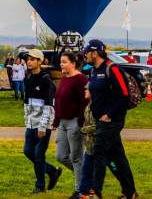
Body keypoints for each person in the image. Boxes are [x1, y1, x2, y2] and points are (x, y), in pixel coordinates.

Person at [84, 39, 137, 199]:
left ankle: (95, 192)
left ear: (95, 53)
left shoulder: (112, 69)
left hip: (112, 120)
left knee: (99, 150)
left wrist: (110, 115)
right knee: (118, 157)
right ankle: (130, 193)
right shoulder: (94, 71)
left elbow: (125, 95)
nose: (85, 55)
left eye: (87, 52)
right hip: (100, 120)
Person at [21, 48, 61, 194]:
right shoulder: (28, 78)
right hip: (31, 124)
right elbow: (26, 102)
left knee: (38, 154)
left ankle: (40, 186)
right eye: (28, 59)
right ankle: (52, 171)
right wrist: (27, 120)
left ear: (40, 62)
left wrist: (43, 127)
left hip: (43, 125)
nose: (28, 62)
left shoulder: (46, 80)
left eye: (32, 59)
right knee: (28, 151)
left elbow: (49, 106)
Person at [54, 51, 88, 196]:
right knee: (60, 156)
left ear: (73, 64)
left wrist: (80, 120)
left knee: (76, 157)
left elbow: (85, 101)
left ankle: (79, 191)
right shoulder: (64, 78)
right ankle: (86, 177)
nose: (61, 64)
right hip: (62, 122)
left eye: (64, 62)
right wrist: (56, 119)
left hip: (75, 122)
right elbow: (60, 100)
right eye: (60, 61)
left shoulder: (81, 79)